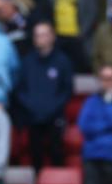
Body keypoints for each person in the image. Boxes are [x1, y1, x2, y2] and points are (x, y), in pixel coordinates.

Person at [15, 23, 73, 171]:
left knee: (56, 153)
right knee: (35, 155)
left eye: (45, 34)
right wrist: (31, 107)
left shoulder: (62, 61)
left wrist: (52, 109)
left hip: (55, 117)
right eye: (38, 35)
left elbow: (67, 90)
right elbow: (20, 89)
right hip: (33, 117)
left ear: (53, 36)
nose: (41, 38)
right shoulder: (27, 61)